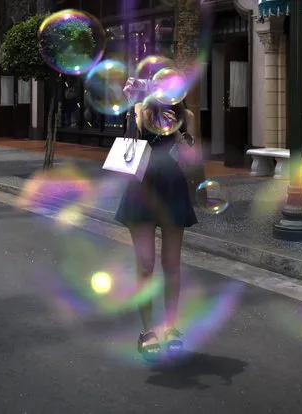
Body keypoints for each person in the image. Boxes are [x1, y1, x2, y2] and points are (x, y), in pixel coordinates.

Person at [115, 98, 198, 362]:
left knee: (172, 264)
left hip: (173, 191)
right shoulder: (139, 110)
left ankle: (171, 327)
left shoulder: (187, 115)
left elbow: (192, 161)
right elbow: (128, 151)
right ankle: (147, 331)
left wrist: (175, 130)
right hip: (142, 190)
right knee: (145, 264)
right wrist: (134, 110)